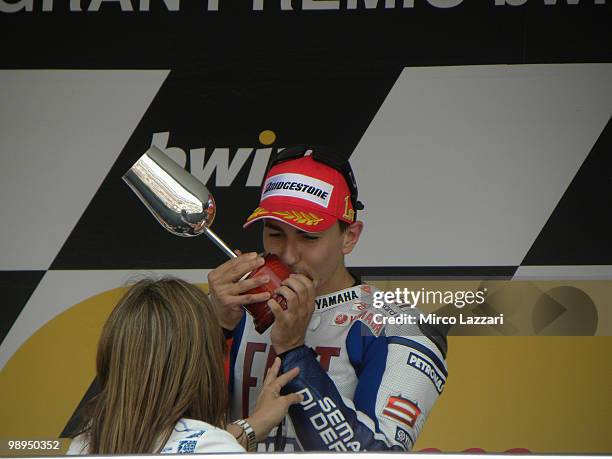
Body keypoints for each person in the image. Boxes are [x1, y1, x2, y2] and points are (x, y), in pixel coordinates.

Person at [208, 146, 449, 452]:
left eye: (309, 237)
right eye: (275, 233)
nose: (288, 255)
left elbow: (378, 455)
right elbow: (161, 431)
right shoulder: (231, 308)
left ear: (350, 236)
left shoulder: (401, 327)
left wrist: (294, 351)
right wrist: (213, 330)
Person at [67, 277, 303, 454]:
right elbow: (196, 445)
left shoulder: (85, 443)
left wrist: (250, 427)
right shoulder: (216, 447)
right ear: (204, 362)